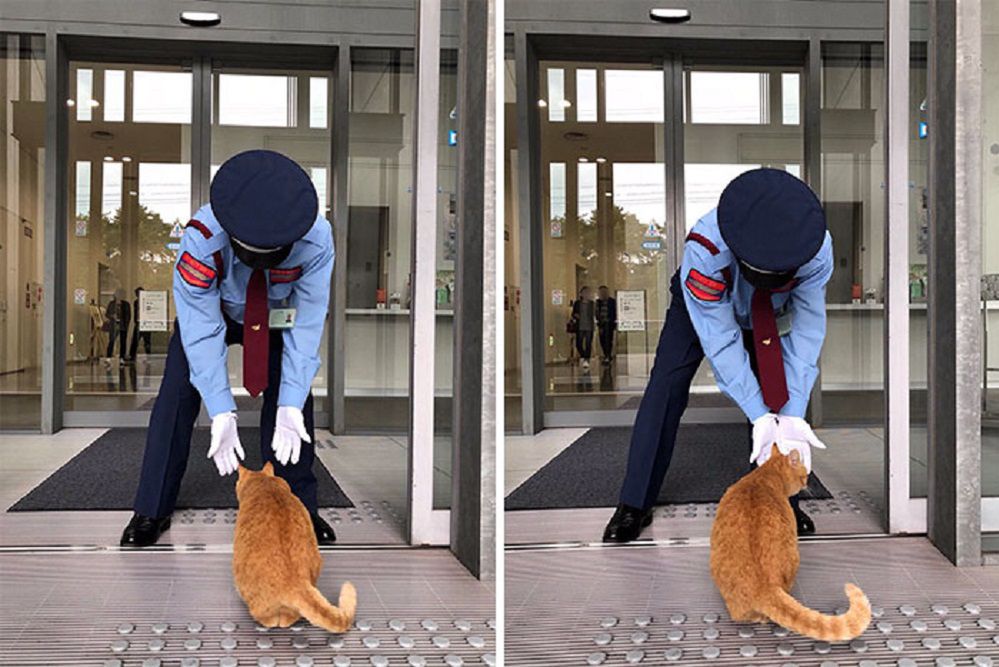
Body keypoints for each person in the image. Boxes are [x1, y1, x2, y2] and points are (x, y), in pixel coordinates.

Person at [603, 168, 832, 543]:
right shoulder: (705, 249)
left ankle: (783, 499)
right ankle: (634, 501)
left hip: (766, 311)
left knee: (779, 393)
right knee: (666, 387)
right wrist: (758, 414)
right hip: (702, 308)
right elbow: (722, 341)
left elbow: (807, 335)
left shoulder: (814, 247)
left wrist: (788, 413)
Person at [121, 149, 336, 548]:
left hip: (276, 317)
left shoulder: (317, 238)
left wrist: (290, 399)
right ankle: (151, 507)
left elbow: (306, 324)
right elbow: (200, 331)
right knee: (175, 395)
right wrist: (220, 409)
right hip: (213, 314)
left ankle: (300, 510)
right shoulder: (200, 240)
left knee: (295, 406)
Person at [571, 286, 595, 371]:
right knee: (579, 343)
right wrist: (576, 315)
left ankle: (586, 359)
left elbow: (595, 313)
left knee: (588, 343)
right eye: (584, 292)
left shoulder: (592, 303)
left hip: (589, 326)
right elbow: (573, 313)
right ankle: (583, 355)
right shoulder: (577, 303)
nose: (586, 294)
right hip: (580, 326)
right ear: (581, 294)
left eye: (587, 292)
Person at [105, 289, 130, 361]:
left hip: (122, 325)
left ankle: (122, 357)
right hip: (114, 325)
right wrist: (112, 316)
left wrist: (126, 325)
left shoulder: (126, 304)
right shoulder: (111, 304)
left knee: (123, 342)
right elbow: (107, 314)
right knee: (111, 341)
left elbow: (128, 316)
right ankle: (108, 357)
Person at [128, 287, 152, 361]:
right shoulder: (136, 302)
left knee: (146, 341)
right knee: (135, 340)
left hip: (146, 323)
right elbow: (136, 313)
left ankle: (148, 356)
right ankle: (132, 356)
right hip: (139, 323)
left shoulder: (147, 302)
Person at [596, 285, 617, 364]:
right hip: (601, 323)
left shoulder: (612, 301)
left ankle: (608, 355)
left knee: (608, 339)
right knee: (602, 340)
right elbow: (597, 313)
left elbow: (614, 312)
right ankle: (605, 354)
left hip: (609, 323)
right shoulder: (598, 302)